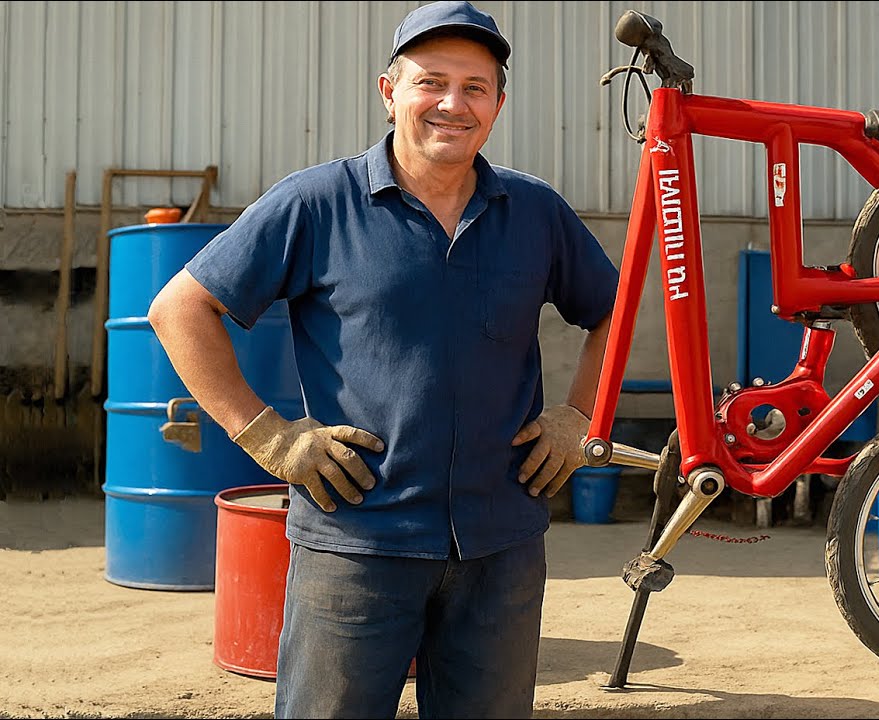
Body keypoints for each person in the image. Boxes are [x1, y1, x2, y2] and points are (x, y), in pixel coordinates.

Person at [148, 2, 619, 717]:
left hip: (500, 544)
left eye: (475, 86)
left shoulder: (535, 212)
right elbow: (179, 308)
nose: (452, 105)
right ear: (389, 91)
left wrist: (581, 415)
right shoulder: (316, 204)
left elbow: (613, 310)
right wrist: (267, 434)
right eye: (431, 82)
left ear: (497, 102)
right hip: (355, 542)